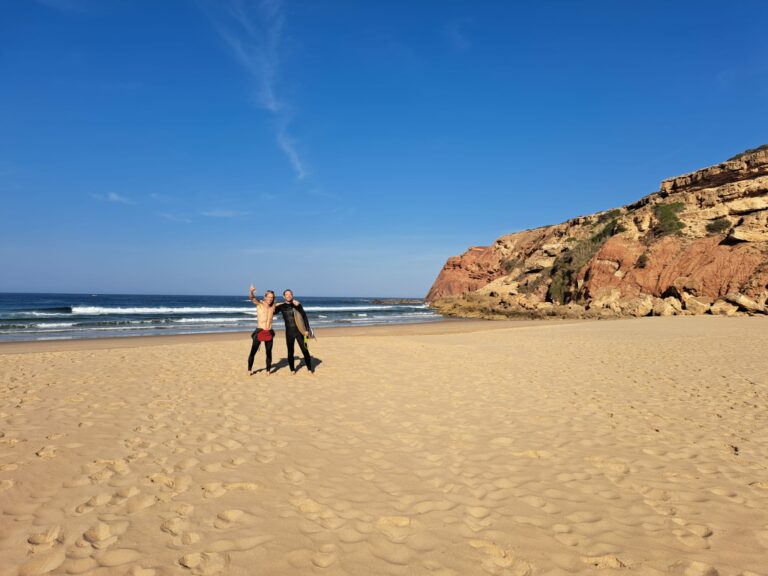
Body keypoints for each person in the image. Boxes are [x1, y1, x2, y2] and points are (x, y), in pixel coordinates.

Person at [274, 289, 314, 374]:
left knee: (305, 350)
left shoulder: (297, 305)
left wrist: (307, 330)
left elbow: (304, 317)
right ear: (283, 296)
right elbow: (271, 312)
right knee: (290, 352)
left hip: (301, 332)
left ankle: (309, 369)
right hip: (289, 333)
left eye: (290, 294)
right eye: (287, 294)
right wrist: (275, 304)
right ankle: (292, 370)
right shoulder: (281, 306)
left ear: (292, 295)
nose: (289, 296)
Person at [247, 285, 277, 375]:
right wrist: (252, 291)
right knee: (253, 351)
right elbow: (252, 298)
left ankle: (268, 370)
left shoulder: (273, 307)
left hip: (269, 331)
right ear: (265, 297)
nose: (270, 299)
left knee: (268, 352)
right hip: (260, 331)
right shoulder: (259, 304)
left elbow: (285, 305)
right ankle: (249, 369)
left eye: (272, 297)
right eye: (269, 297)